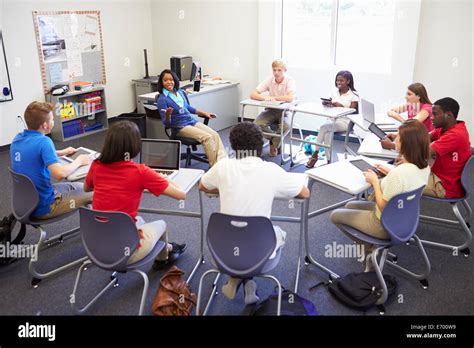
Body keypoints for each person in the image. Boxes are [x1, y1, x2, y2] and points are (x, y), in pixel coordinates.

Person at [199, 122, 310, 304]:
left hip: (222, 250)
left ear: (234, 146)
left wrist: (226, 188)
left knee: (242, 236)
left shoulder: (223, 166)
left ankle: (238, 280)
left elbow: (203, 186)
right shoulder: (271, 170)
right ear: (260, 145)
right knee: (277, 233)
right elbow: (305, 193)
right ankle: (247, 282)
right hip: (258, 253)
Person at [84, 121, 187, 269]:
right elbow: (181, 195)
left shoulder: (97, 165)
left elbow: (87, 188)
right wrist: (165, 179)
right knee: (162, 224)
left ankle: (168, 247)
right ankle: (163, 259)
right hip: (127, 253)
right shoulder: (140, 172)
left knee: (138, 219)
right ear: (134, 146)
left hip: (96, 247)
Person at [330, 120, 431, 271]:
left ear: (406, 144)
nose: (395, 139)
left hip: (384, 224)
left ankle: (369, 248)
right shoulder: (424, 167)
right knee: (350, 205)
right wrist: (389, 172)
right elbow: (407, 181)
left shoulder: (399, 173)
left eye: (398, 138)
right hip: (406, 219)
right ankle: (368, 248)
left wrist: (374, 182)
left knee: (335, 215)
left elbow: (383, 206)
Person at [10, 101, 92, 219]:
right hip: (44, 207)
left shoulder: (17, 139)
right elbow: (60, 174)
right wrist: (79, 160)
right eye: (52, 119)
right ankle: (99, 229)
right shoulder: (44, 142)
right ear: (45, 125)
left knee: (80, 186)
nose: (53, 122)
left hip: (25, 203)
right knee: (95, 191)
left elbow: (33, 154)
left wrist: (59, 153)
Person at [156, 69, 227, 167]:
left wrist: (204, 113)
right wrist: (168, 115)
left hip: (190, 121)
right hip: (179, 127)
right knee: (207, 137)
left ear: (175, 80)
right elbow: (166, 123)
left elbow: (188, 108)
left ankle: (223, 163)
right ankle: (214, 167)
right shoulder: (162, 99)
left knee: (214, 134)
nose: (169, 82)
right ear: (161, 82)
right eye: (165, 80)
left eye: (171, 79)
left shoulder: (180, 92)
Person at [306, 70, 358, 168]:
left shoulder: (354, 95)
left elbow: (353, 112)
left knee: (323, 128)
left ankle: (315, 155)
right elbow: (330, 105)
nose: (339, 83)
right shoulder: (334, 91)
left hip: (345, 121)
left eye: (341, 81)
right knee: (327, 134)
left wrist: (341, 106)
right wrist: (327, 104)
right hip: (332, 119)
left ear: (348, 81)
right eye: (337, 80)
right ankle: (329, 161)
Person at [423, 97, 471, 198]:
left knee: (399, 183)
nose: (431, 117)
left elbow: (424, 152)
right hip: (438, 177)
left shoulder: (455, 134)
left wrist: (394, 145)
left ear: (448, 115)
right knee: (398, 176)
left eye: (435, 114)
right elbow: (423, 138)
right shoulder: (445, 128)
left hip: (444, 186)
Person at [251, 59, 296, 157]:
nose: (276, 72)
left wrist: (274, 98)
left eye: (279, 70)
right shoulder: (269, 80)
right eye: (274, 70)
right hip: (271, 110)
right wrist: (265, 97)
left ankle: (274, 145)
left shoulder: (290, 81)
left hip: (286, 110)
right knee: (257, 124)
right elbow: (253, 94)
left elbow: (290, 98)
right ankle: (275, 141)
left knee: (286, 126)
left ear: (285, 70)